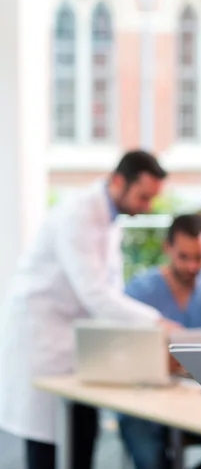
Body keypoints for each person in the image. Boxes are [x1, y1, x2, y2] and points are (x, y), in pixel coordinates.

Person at [0, 150, 181, 469]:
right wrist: (157, 322)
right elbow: (96, 294)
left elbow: (108, 293)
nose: (147, 207)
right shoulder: (78, 214)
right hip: (43, 339)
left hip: (76, 343)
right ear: (119, 181)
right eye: (143, 197)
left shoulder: (111, 220)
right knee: (48, 445)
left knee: (81, 436)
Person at [118, 213, 201, 469]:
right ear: (167, 248)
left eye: (200, 258)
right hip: (145, 400)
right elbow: (120, 351)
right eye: (184, 257)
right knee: (149, 454)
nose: (192, 266)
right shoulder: (139, 292)